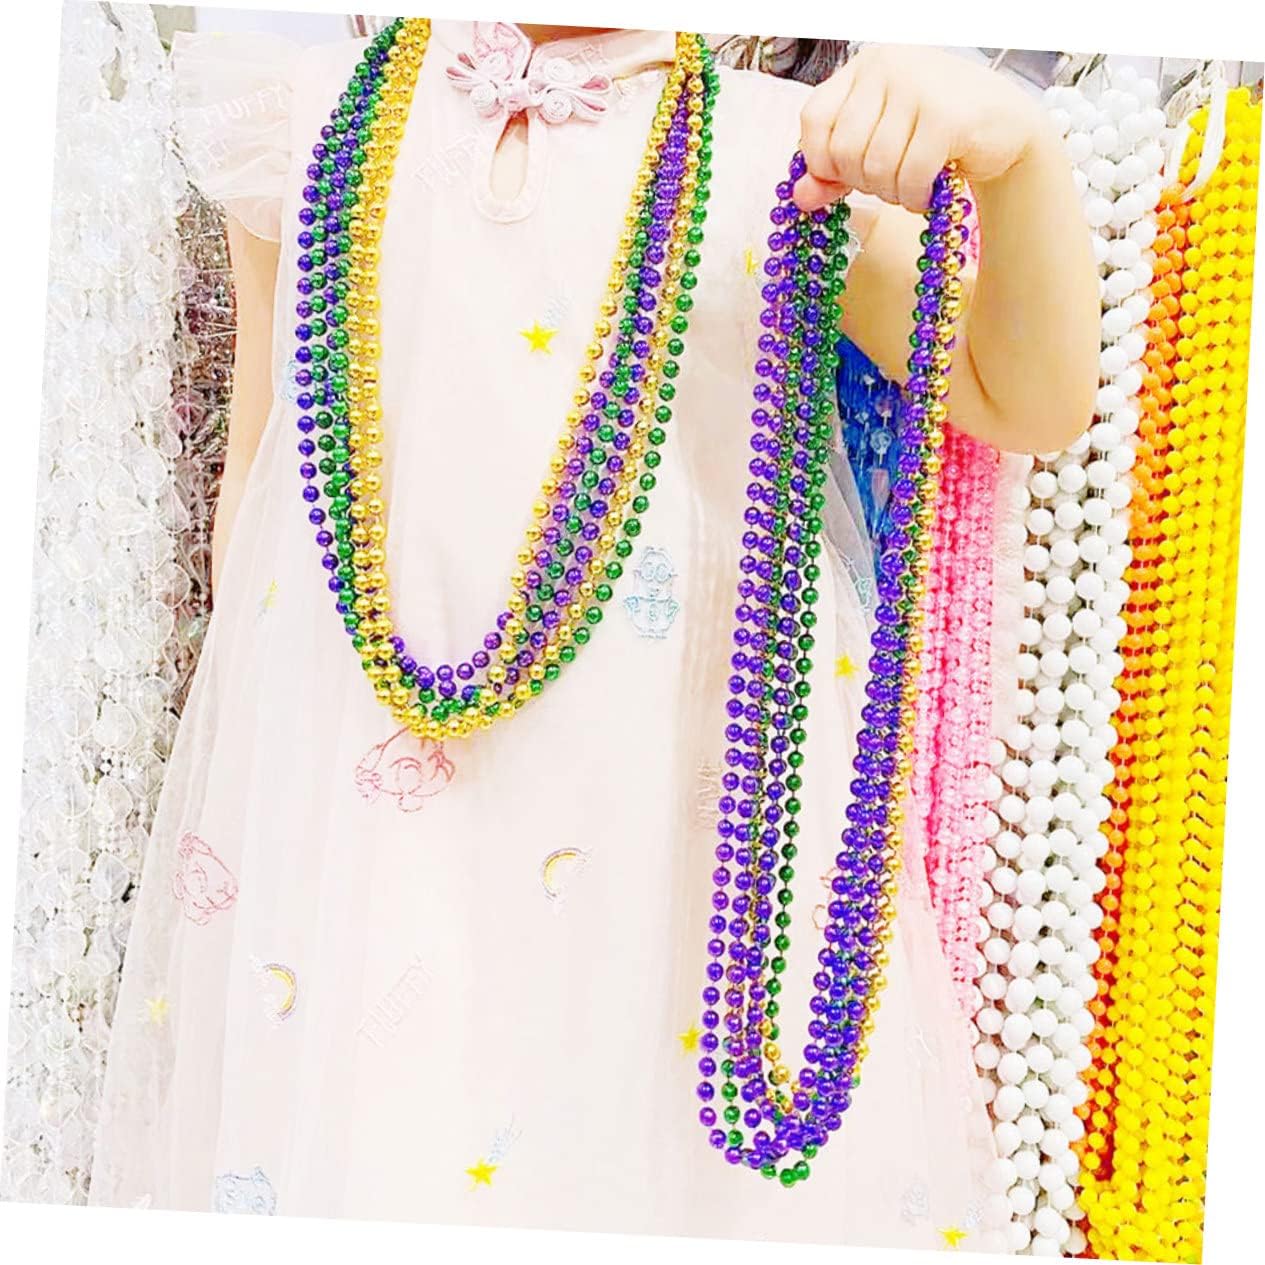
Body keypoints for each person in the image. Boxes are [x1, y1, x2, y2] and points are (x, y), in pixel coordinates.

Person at [89, 19, 1098, 1251]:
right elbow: (258, 483)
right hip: (363, 821)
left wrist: (1016, 157)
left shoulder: (787, 153)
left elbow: (1025, 397)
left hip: (671, 831)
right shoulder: (307, 116)